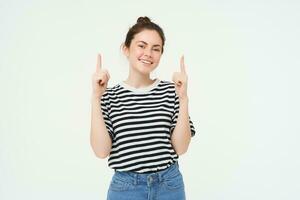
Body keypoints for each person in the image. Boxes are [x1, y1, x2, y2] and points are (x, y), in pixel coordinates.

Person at [90, 16, 196, 200]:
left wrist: (184, 98)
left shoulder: (171, 91)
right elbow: (101, 151)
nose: (149, 53)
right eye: (142, 45)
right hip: (126, 188)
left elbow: (181, 148)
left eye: (156, 49)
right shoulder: (109, 96)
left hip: (169, 185)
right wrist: (96, 97)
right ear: (126, 49)